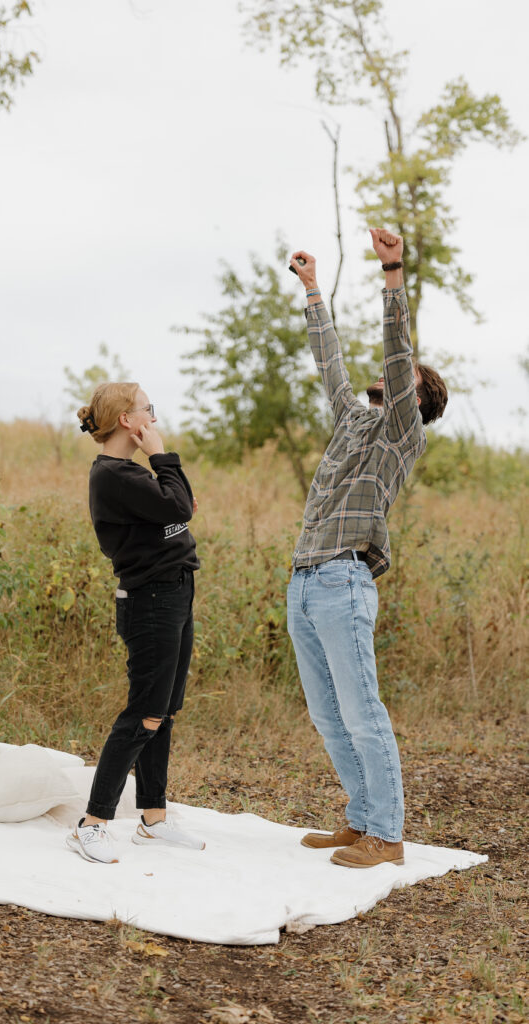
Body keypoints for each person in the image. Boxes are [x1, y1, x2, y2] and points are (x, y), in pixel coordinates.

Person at [287, 229, 448, 869]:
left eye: (401, 371)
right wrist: (311, 291)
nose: (389, 370)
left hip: (343, 583)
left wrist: (393, 274)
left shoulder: (401, 434)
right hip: (303, 581)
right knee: (328, 716)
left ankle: (387, 833)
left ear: (416, 395)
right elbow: (330, 364)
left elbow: (396, 347)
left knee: (361, 712)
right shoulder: (354, 417)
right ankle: (360, 820)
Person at [68, 382, 203, 864]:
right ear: (128, 419)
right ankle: (93, 822)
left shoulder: (130, 473)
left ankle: (153, 819)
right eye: (149, 408)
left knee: (162, 711)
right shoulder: (114, 475)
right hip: (150, 600)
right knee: (144, 711)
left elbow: (182, 506)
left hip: (175, 592)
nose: (154, 416)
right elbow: (179, 506)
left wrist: (161, 463)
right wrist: (161, 454)